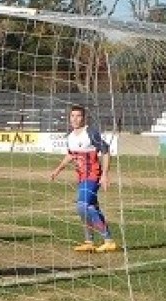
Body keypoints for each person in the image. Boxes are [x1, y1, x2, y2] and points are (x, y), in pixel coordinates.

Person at [50, 105, 117, 253]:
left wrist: (105, 174)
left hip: (93, 175)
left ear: (84, 118)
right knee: (90, 208)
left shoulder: (90, 133)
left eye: (78, 116)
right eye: (72, 116)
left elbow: (105, 150)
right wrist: (58, 170)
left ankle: (108, 240)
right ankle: (89, 242)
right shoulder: (70, 137)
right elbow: (71, 155)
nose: (75, 119)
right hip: (81, 177)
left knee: (82, 206)